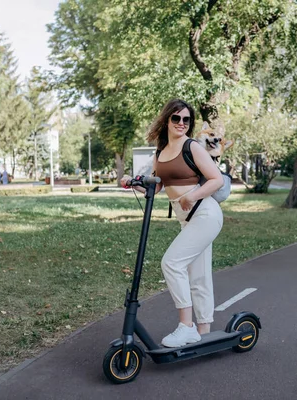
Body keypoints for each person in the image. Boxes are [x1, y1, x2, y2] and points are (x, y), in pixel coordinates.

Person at [120, 99, 224, 348]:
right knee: (197, 275)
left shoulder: (193, 147)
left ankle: (186, 327)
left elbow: (216, 179)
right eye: (176, 118)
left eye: (186, 119)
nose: (181, 123)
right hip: (187, 219)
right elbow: (157, 185)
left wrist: (192, 195)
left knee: (172, 263)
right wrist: (133, 182)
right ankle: (203, 331)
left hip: (205, 214)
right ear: (167, 120)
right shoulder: (161, 152)